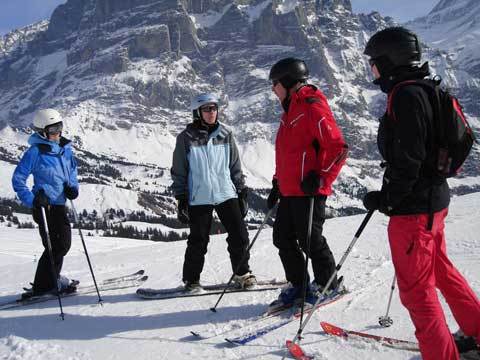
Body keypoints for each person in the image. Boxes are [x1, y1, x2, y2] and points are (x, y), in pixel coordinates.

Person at [363, 26, 480, 360]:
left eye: (374, 64)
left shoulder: (406, 94)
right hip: (433, 203)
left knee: (417, 293)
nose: (372, 71)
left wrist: (387, 198)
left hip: (413, 212)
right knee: (442, 272)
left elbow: (409, 157)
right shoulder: (425, 88)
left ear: (390, 61)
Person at [266, 58, 348, 310]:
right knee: (282, 238)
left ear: (288, 82)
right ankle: (298, 284)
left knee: (310, 239)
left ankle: (329, 284)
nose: (273, 89)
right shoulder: (288, 111)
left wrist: (321, 176)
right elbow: (287, 154)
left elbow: (338, 148)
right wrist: (277, 184)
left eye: (275, 83)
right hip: (290, 190)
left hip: (309, 189)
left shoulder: (312, 106)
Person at [171, 93, 256, 292]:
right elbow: (179, 170)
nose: (211, 113)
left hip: (226, 193)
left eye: (214, 108)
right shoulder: (185, 139)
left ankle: (242, 274)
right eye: (207, 109)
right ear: (197, 113)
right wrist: (181, 198)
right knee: (198, 240)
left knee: (240, 235)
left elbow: (234, 164)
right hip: (199, 196)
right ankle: (191, 281)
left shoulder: (225, 134)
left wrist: (241, 190)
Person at [12, 108, 79, 298]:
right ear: (42, 131)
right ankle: (44, 285)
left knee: (63, 245)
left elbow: (72, 172)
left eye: (59, 127)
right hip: (44, 207)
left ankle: (51, 279)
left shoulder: (65, 149)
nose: (57, 133)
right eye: (52, 130)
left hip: (60, 205)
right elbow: (18, 179)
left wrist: (72, 188)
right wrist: (33, 200)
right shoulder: (35, 152)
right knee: (54, 246)